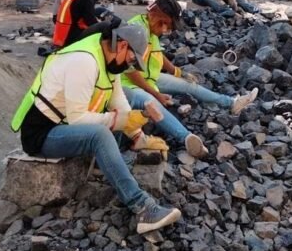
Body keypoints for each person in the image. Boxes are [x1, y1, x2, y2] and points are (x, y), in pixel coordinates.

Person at [11, 23, 181, 234]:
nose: (129, 65)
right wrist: (120, 121)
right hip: (43, 133)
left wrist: (138, 133)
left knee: (125, 101)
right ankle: (142, 207)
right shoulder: (84, 61)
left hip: (64, 125)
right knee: (100, 135)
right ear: (122, 45)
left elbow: (118, 102)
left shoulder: (108, 59)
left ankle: (113, 160)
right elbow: (78, 119)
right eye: (130, 59)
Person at [121, 0, 258, 156]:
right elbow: (129, 71)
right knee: (152, 103)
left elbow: (157, 55)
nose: (166, 30)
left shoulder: (150, 28)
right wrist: (156, 94)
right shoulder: (137, 30)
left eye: (169, 26)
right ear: (155, 15)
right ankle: (187, 139)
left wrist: (179, 72)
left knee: (187, 84)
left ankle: (231, 103)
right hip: (128, 84)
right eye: (165, 24)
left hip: (148, 78)